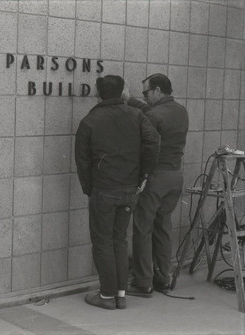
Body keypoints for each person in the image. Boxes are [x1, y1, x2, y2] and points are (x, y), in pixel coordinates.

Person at [75, 75, 160, 309]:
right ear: (122, 92)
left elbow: (82, 160)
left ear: (98, 94)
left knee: (102, 242)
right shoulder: (137, 115)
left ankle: (106, 297)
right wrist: (144, 175)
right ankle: (120, 295)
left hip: (103, 189)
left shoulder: (90, 120)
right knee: (119, 240)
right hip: (129, 189)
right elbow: (154, 141)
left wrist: (88, 188)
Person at [125, 73, 189, 297]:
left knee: (143, 229)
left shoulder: (153, 115)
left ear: (158, 91)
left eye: (146, 93)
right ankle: (163, 278)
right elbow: (151, 111)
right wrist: (130, 100)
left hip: (155, 178)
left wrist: (140, 177)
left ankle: (143, 283)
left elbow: (145, 141)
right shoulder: (181, 111)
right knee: (163, 227)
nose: (145, 97)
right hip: (175, 177)